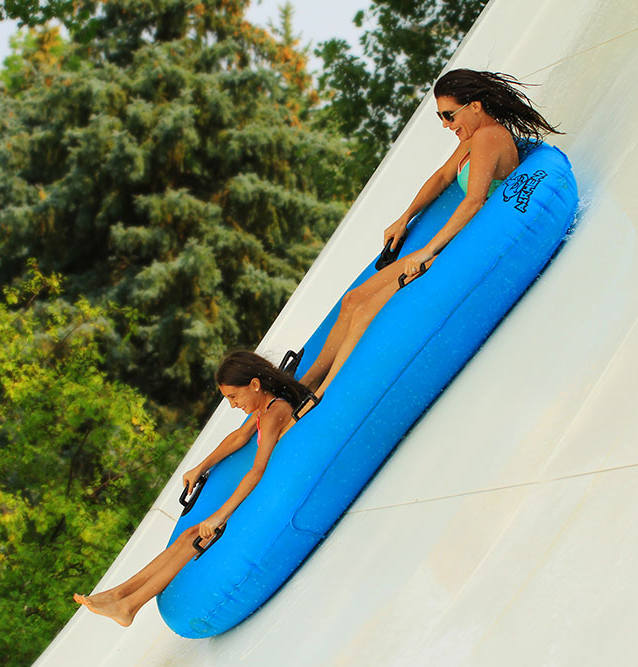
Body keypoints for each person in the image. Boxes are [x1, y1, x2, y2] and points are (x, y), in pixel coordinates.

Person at [296, 69, 561, 409]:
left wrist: (428, 249)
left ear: (475, 106)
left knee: (365, 311)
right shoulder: (472, 138)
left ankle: (320, 395)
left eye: (449, 115)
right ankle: (302, 385)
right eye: (440, 117)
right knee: (352, 300)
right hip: (451, 242)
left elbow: (475, 201)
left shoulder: (488, 137)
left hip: (462, 249)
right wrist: (404, 218)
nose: (446, 125)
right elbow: (442, 177)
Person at [73, 350, 309, 627]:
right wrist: (201, 466)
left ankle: (128, 607)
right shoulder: (263, 407)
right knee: (189, 534)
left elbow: (258, 470)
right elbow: (239, 437)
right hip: (259, 488)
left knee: (196, 539)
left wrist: (220, 515)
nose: (233, 405)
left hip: (264, 493)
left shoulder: (274, 412)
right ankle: (118, 594)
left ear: (255, 385)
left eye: (234, 397)